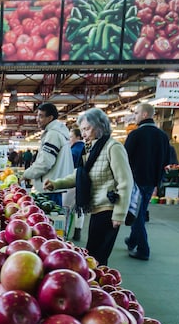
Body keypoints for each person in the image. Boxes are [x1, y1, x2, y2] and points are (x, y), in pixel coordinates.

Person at [45, 108, 133, 267]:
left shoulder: (113, 147)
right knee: (93, 254)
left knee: (97, 256)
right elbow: (79, 175)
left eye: (86, 128)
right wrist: (56, 184)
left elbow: (125, 182)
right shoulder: (91, 149)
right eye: (82, 129)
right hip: (97, 208)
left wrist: (119, 214)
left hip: (109, 209)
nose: (83, 133)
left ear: (99, 126)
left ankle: (96, 285)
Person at [123, 103, 173, 261]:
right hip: (152, 181)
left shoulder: (135, 135)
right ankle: (132, 240)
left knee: (137, 214)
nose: (135, 116)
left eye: (137, 113)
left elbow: (125, 158)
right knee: (141, 210)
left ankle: (144, 250)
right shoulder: (163, 136)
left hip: (136, 181)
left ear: (145, 114)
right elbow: (166, 160)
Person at [23, 102, 74, 207]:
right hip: (53, 187)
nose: (37, 119)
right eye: (37, 115)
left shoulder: (53, 134)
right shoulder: (57, 132)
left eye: (41, 116)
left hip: (49, 188)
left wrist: (25, 174)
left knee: (50, 219)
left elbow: (45, 163)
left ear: (50, 118)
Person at [68, 127, 85, 241]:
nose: (69, 139)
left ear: (78, 137)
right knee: (80, 208)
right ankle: (78, 231)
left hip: (71, 181)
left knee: (67, 208)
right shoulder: (87, 148)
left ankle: (64, 231)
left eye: (71, 137)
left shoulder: (72, 151)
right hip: (84, 182)